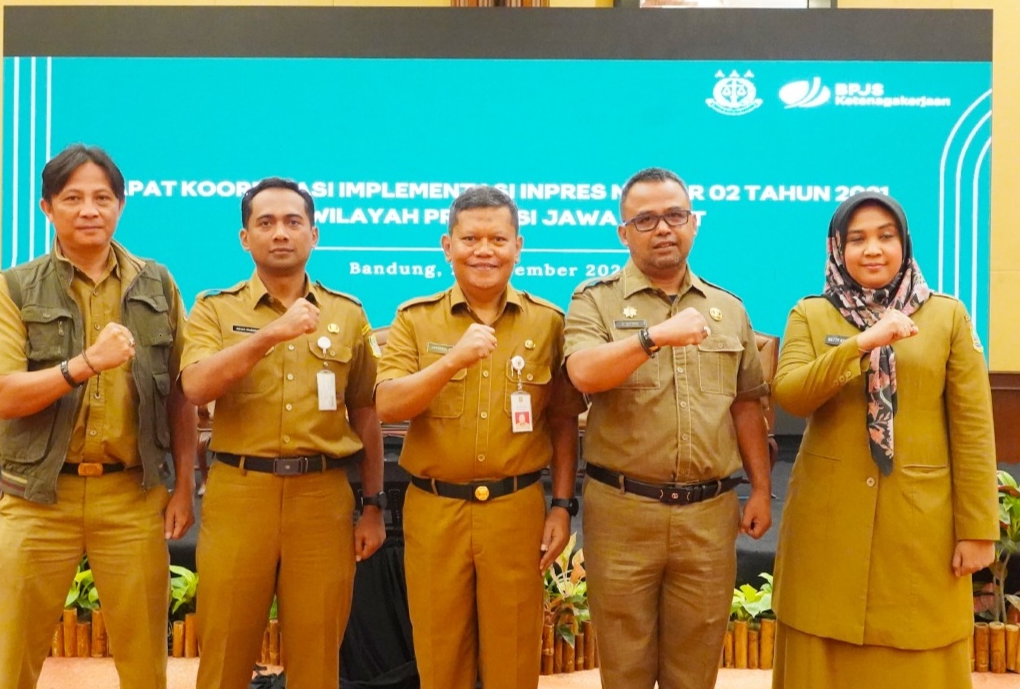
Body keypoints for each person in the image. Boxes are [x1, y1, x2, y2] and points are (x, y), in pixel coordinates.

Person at [0, 143, 196, 689]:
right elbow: (3, 396)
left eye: (102, 197)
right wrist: (82, 365)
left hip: (131, 497)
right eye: (72, 197)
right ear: (48, 207)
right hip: (37, 499)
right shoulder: (13, 287)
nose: (89, 209)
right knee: (8, 661)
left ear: (121, 204)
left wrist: (186, 484)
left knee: (145, 663)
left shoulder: (159, 284)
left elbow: (181, 396)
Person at [770, 191, 998, 688]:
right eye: (857, 239)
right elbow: (791, 394)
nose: (872, 249)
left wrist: (979, 528)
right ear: (838, 248)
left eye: (885, 236)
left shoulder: (946, 316)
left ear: (904, 244)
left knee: (920, 648)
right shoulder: (811, 314)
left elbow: (974, 430)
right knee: (820, 644)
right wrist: (860, 343)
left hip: (920, 527)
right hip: (827, 527)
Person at [564, 166, 772, 689]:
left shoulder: (728, 308)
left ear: (694, 223)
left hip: (708, 515)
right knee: (625, 665)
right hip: (623, 511)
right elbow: (584, 371)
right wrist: (653, 338)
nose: (663, 228)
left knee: (696, 666)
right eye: (646, 219)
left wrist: (763, 490)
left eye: (675, 215)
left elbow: (747, 404)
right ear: (624, 232)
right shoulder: (595, 300)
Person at [180, 177, 385, 689]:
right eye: (265, 223)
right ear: (244, 238)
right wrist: (272, 333)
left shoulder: (347, 313)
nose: (280, 233)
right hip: (239, 492)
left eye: (293, 222)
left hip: (322, 498)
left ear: (314, 234)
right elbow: (195, 384)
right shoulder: (214, 308)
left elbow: (365, 412)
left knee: (317, 659)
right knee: (224, 648)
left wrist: (375, 505)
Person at [375, 185, 584, 689]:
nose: (484, 250)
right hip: (435, 509)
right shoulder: (414, 319)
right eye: (470, 239)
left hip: (516, 511)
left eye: (497, 238)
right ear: (448, 246)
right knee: (440, 655)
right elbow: (386, 405)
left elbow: (561, 423)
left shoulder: (549, 322)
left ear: (518, 246)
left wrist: (561, 504)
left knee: (513, 659)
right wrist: (451, 361)